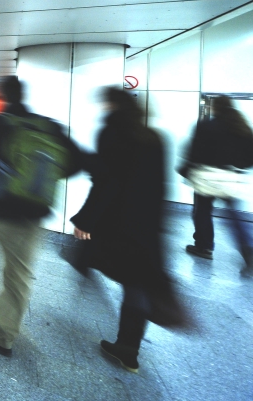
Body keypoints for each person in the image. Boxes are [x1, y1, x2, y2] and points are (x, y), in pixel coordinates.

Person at [0, 76, 81, 356]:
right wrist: (40, 179)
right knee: (18, 275)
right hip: (30, 217)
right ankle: (6, 335)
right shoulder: (50, 127)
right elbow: (78, 161)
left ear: (4, 97)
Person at [70, 88, 188, 372]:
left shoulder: (112, 133)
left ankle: (126, 345)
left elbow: (106, 183)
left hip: (118, 222)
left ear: (111, 106)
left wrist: (85, 220)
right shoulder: (154, 138)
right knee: (138, 283)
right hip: (146, 225)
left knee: (128, 279)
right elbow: (160, 186)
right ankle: (128, 346)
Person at [179, 96, 253, 275]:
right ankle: (248, 251)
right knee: (234, 216)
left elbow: (194, 152)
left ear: (215, 108)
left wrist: (186, 170)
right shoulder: (241, 127)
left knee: (202, 212)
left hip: (206, 176)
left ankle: (204, 247)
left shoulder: (206, 126)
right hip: (229, 177)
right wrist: (237, 167)